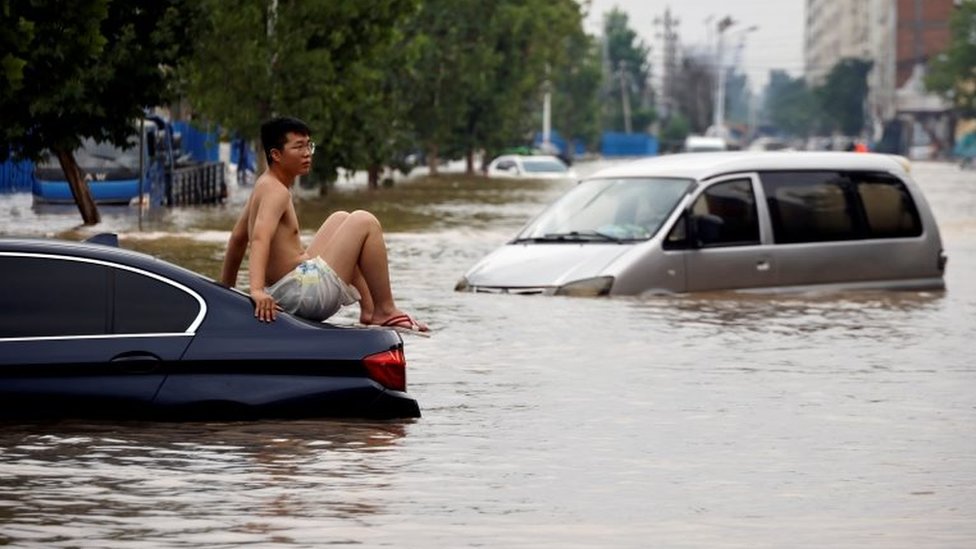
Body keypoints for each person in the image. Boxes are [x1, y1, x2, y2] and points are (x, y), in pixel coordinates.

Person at [220, 116, 428, 333]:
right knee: (364, 221)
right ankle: (385, 309)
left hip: (293, 287)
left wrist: (223, 295)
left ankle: (369, 310)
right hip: (300, 294)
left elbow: (237, 239)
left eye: (309, 145)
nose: (307, 153)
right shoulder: (276, 191)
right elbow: (259, 238)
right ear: (276, 155)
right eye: (298, 147)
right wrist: (256, 290)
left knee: (340, 220)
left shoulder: (263, 185)